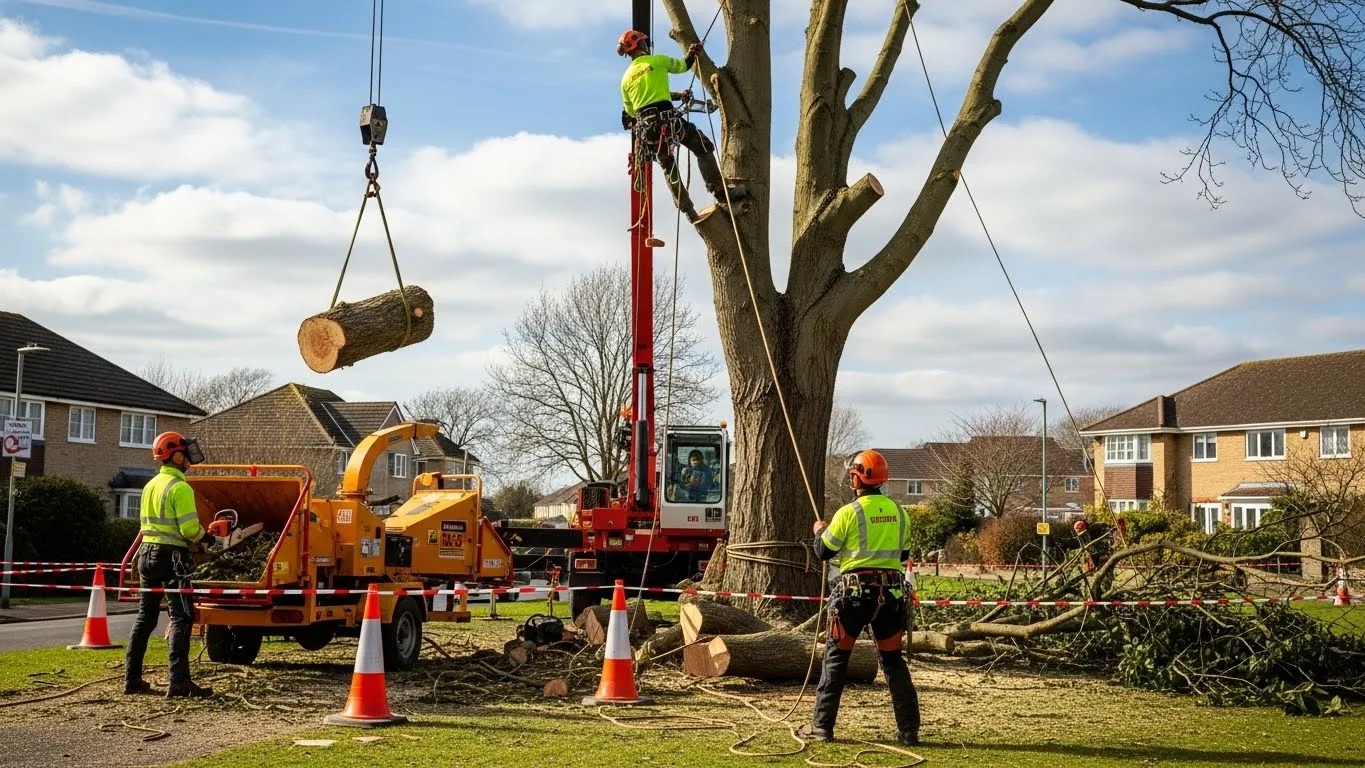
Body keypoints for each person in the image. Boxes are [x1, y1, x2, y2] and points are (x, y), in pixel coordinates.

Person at [800, 449, 920, 746]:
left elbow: (823, 551)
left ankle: (822, 727)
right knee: (893, 663)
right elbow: (902, 556)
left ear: (857, 478)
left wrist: (819, 531)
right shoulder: (900, 513)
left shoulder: (848, 513)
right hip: (890, 596)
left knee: (836, 660)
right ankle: (908, 731)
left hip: (853, 597)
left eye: (851, 475)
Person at [617, 29, 746, 221]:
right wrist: (692, 53)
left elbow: (632, 110)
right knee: (701, 145)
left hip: (648, 131)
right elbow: (684, 65)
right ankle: (721, 192)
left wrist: (677, 96)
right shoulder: (658, 61)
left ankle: (689, 213)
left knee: (669, 167)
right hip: (669, 122)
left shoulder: (626, 79)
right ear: (641, 45)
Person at [124, 431, 215, 699]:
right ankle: (179, 682)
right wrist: (208, 538)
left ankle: (132, 679)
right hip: (171, 557)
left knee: (145, 616)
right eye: (185, 454)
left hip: (146, 555)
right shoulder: (180, 487)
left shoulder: (151, 485)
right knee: (182, 616)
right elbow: (188, 529)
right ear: (176, 457)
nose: (188, 459)